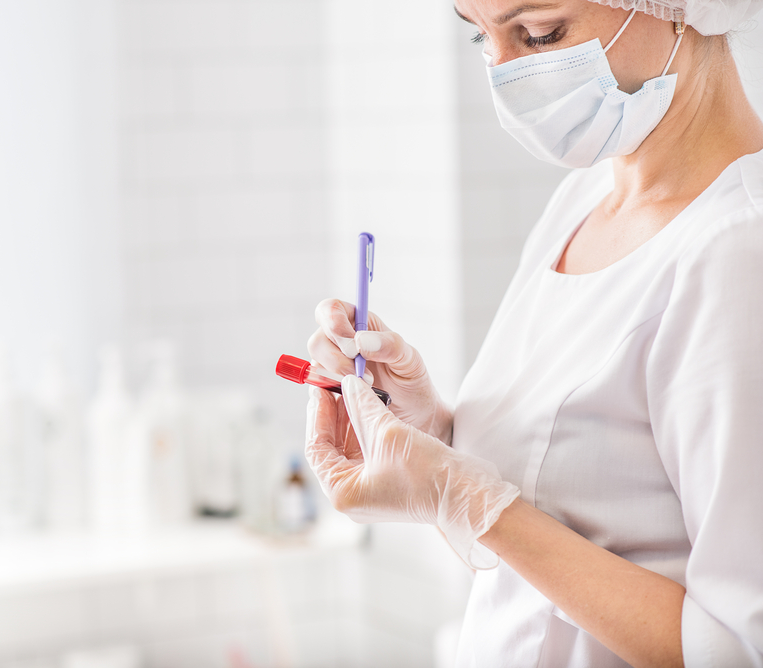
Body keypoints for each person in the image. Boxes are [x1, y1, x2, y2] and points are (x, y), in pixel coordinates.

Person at [303, 0, 763, 665]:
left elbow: (738, 649)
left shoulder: (735, 253)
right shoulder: (581, 203)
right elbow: (545, 570)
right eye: (479, 35)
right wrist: (429, 440)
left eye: (539, 33)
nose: (503, 73)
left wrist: (479, 505)